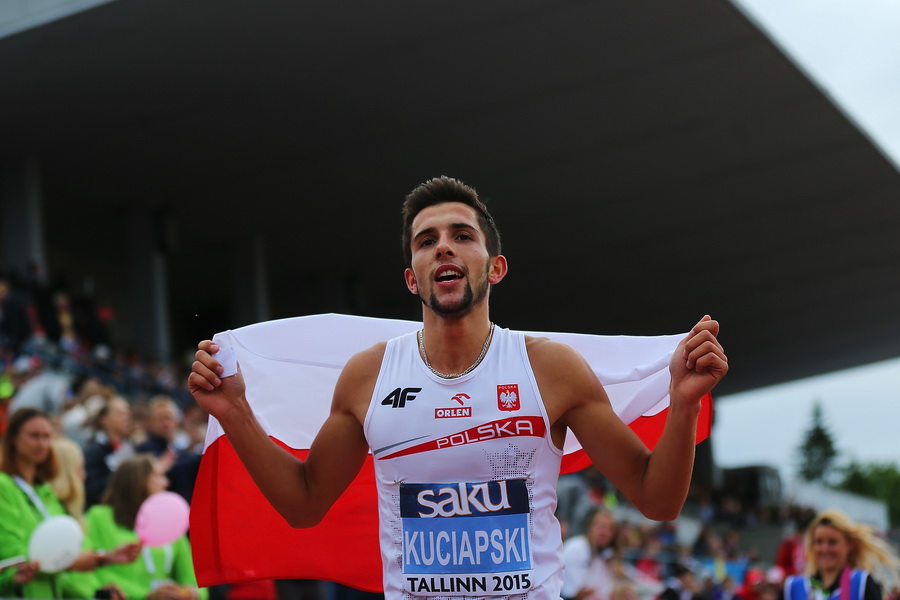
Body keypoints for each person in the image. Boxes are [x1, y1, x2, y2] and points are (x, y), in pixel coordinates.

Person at [189, 176, 729, 599]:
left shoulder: (550, 369)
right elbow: (305, 504)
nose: (444, 248)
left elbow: (656, 499)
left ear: (494, 267)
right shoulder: (368, 376)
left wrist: (683, 404)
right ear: (412, 276)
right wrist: (234, 412)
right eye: (427, 242)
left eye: (461, 236)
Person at [0, 407, 140, 598]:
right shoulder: (3, 486)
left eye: (47, 436)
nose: (42, 443)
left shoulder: (44, 492)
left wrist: (107, 558)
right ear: (13, 439)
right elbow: (14, 558)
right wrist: (77, 564)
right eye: (34, 436)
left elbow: (63, 551)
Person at [84, 454, 206, 600]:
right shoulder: (99, 517)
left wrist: (188, 593)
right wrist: (146, 596)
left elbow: (195, 582)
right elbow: (91, 571)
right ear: (138, 481)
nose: (166, 482)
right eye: (159, 476)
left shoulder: (170, 522)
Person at [783, 509, 900, 600]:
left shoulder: (861, 583)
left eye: (832, 542)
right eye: (819, 542)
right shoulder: (793, 587)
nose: (825, 549)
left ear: (849, 545)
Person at [561, 508, 627, 600]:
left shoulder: (607, 555)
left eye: (610, 529)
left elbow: (609, 592)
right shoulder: (575, 548)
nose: (604, 533)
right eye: (601, 526)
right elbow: (574, 593)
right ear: (591, 527)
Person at [84, 396, 135, 508]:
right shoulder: (94, 451)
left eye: (127, 414)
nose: (126, 418)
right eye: (119, 414)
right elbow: (92, 489)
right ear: (103, 420)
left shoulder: (130, 449)